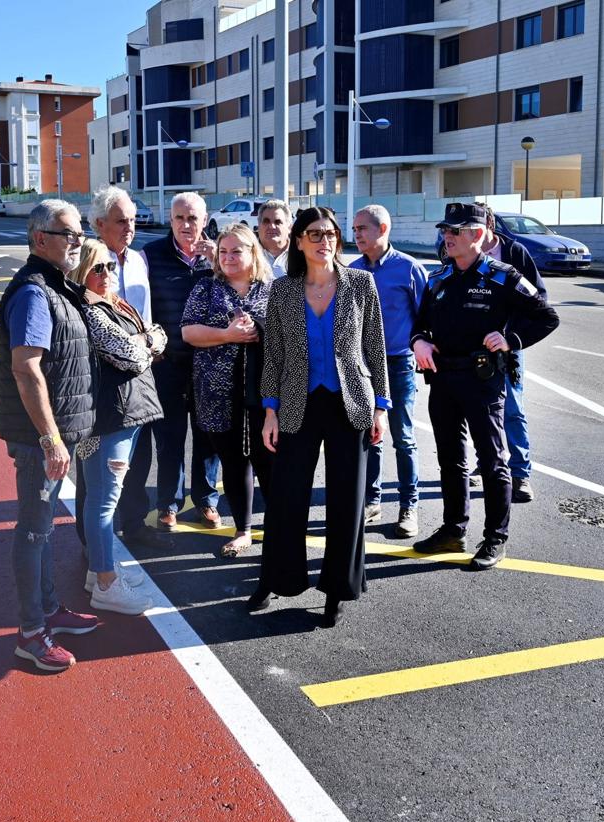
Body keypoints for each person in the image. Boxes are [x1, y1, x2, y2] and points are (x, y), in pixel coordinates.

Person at [254, 206, 389, 628]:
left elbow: (375, 348)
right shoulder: (282, 290)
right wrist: (269, 410)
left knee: (347, 500)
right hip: (297, 403)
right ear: (298, 241)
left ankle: (337, 589)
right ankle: (277, 579)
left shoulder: (360, 284)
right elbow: (272, 354)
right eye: (314, 234)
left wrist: (381, 407)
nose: (324, 240)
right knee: (286, 498)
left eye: (330, 233)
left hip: (351, 403)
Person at [410, 203, 559, 569]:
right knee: (449, 459)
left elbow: (547, 317)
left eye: (456, 230)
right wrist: (419, 341)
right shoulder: (439, 278)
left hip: (482, 380)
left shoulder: (503, 276)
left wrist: (511, 338)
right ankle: (453, 529)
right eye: (445, 229)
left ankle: (496, 538)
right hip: (443, 378)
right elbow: (420, 323)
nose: (448, 236)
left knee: (492, 462)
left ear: (478, 234)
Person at [0, 200, 101, 672]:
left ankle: (50, 608)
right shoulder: (35, 293)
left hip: (62, 431)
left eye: (80, 232)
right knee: (34, 531)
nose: (78, 240)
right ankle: (31, 632)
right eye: (69, 233)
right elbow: (27, 368)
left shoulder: (57, 286)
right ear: (41, 239)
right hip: (44, 439)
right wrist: (52, 440)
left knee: (44, 530)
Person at [70, 239, 166, 615]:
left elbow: (157, 335)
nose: (107, 274)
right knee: (103, 500)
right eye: (97, 269)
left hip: (124, 412)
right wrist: (147, 342)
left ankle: (100, 570)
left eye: (110, 266)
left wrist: (147, 341)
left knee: (102, 497)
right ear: (81, 274)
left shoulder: (111, 305)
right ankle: (107, 585)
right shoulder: (91, 312)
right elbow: (132, 355)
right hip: (109, 418)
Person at [72, 186, 165, 548]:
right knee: (97, 470)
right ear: (98, 224)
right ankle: (92, 540)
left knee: (139, 458)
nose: (130, 226)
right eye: (120, 220)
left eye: (132, 220)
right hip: (104, 384)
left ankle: (135, 522)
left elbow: (148, 321)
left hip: (141, 372)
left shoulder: (139, 259)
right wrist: (143, 345)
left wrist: (150, 345)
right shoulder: (86, 260)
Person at [181, 224, 274, 558]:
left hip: (267, 394)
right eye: (223, 251)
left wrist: (259, 329)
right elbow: (189, 332)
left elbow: (291, 336)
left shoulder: (272, 289)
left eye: (237, 250)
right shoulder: (206, 288)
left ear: (253, 252)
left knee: (270, 460)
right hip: (217, 391)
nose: (229, 257)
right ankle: (243, 530)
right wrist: (228, 334)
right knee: (234, 461)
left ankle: (279, 527)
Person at [141, 192, 222, 531]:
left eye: (193, 218)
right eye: (179, 218)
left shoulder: (220, 254)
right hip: (169, 363)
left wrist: (218, 260)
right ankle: (168, 504)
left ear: (204, 221)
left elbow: (245, 288)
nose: (186, 225)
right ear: (170, 220)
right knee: (170, 437)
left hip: (209, 365)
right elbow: (140, 306)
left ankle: (206, 501)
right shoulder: (151, 255)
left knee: (208, 438)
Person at [350, 204, 428, 539]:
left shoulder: (409, 269)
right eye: (354, 230)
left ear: (382, 229)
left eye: (362, 229)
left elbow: (426, 317)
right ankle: (372, 499)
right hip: (363, 366)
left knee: (403, 437)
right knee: (371, 436)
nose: (356, 235)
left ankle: (409, 505)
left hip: (397, 365)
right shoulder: (352, 271)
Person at [472, 202, 547, 504]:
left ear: (487, 226)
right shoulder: (458, 253)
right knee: (477, 410)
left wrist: (512, 336)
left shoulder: (514, 253)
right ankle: (486, 461)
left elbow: (539, 299)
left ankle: (520, 473)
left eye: (468, 228)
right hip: (473, 348)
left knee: (513, 408)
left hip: (507, 346)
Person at [255, 199, 291, 278]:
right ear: (258, 225)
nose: (271, 226)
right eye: (266, 221)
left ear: (289, 227)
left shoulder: (302, 254)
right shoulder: (248, 254)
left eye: (278, 222)